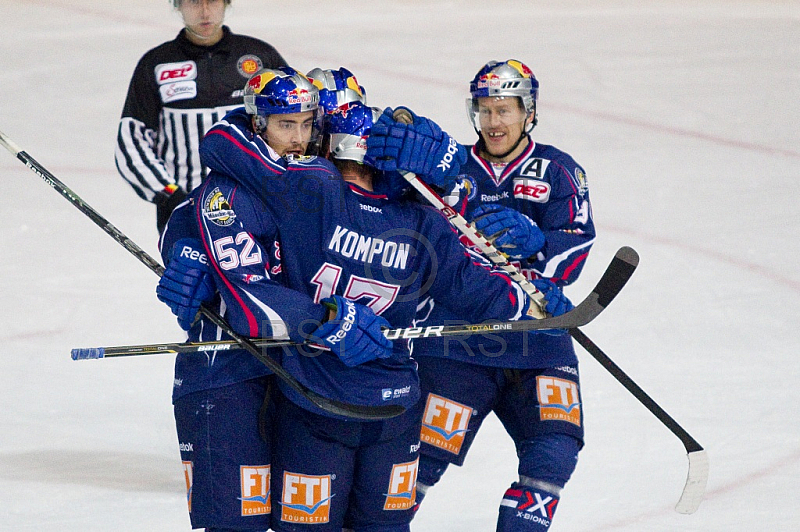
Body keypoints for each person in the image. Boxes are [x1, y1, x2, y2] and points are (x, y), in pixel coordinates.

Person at [157, 66, 574, 532]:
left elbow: (452, 238)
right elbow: (210, 193)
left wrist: (449, 169)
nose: (301, 137)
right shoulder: (289, 179)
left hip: (300, 380)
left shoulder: (322, 188)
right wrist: (187, 247)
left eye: (310, 123)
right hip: (232, 371)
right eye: (288, 123)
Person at [395, 60, 597, 531]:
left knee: (555, 450)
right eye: (484, 110)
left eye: (504, 110)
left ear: (528, 111)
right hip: (458, 341)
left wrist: (542, 253)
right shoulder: (453, 168)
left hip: (537, 338)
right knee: (418, 462)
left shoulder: (560, 169)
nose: (493, 122)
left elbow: (576, 243)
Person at [115, 0, 287, 234]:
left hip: (258, 208)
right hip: (185, 216)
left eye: (213, 1)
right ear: (177, 4)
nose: (205, 12)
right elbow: (131, 141)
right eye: (194, 2)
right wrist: (171, 195)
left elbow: (293, 122)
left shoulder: (260, 57)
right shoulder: (156, 63)